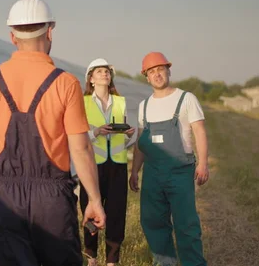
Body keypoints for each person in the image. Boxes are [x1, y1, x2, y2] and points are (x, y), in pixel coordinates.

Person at [0, 0, 106, 266]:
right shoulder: (65, 83)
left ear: (12, 37)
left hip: (6, 197)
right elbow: (80, 148)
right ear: (50, 32)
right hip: (52, 200)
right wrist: (94, 199)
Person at [129, 52, 209, 266]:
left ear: (168, 71)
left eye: (160, 69)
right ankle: (166, 262)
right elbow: (140, 143)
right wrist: (135, 170)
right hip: (152, 173)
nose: (157, 74)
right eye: (151, 71)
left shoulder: (186, 99)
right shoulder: (144, 106)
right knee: (152, 221)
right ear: (146, 77)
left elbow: (199, 132)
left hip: (180, 172)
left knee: (186, 225)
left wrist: (203, 163)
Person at [79, 58, 135, 266]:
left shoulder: (120, 102)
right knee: (89, 209)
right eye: (100, 71)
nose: (105, 74)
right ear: (91, 79)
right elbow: (77, 135)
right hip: (92, 165)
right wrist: (96, 132)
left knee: (117, 212)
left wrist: (129, 134)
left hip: (118, 166)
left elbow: (127, 139)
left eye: (107, 72)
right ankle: (91, 258)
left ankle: (112, 261)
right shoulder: (82, 102)